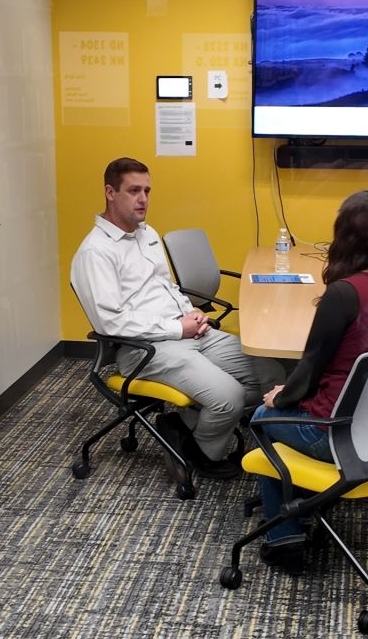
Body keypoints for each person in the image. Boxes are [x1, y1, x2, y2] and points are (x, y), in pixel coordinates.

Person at [71, 157, 284, 479]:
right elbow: (109, 323)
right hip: (146, 349)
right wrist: (176, 328)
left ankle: (180, 425)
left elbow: (165, 285)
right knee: (229, 397)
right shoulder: (96, 252)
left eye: (147, 190)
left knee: (271, 373)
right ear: (110, 192)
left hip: (187, 331)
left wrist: (190, 311)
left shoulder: (147, 233)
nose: (143, 199)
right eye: (133, 190)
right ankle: (199, 452)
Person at [251, 190, 368, 575]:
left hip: (335, 432)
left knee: (261, 417)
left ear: (345, 238)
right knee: (283, 406)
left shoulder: (343, 294)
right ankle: (309, 502)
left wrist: (281, 397)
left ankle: (284, 537)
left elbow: (310, 372)